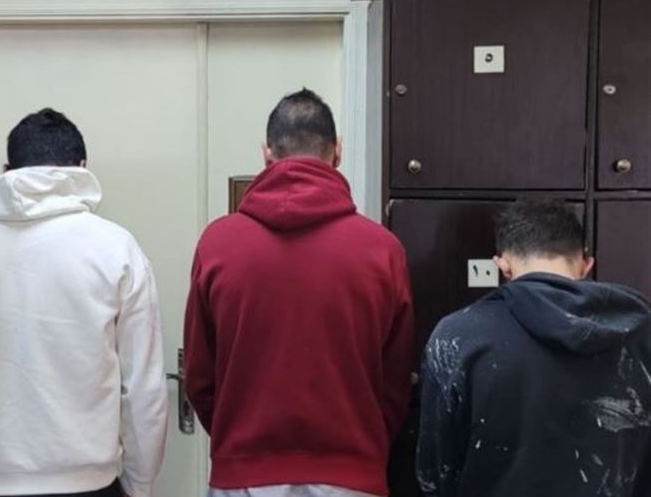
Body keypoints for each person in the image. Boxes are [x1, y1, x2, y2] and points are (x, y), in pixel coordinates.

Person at [0, 107, 167, 497]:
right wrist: (140, 484)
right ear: (83, 167)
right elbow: (143, 388)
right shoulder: (115, 247)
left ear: (6, 170)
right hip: (87, 483)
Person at [183, 89, 414, 497]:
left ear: (267, 153)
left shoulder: (218, 244)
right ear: (337, 151)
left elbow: (200, 375)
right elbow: (395, 381)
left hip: (243, 476)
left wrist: (239, 444)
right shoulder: (382, 250)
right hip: (351, 477)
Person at [417, 199, 651, 497]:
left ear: (502, 264)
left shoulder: (460, 334)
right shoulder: (641, 333)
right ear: (586, 264)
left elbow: (436, 466)